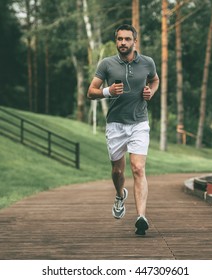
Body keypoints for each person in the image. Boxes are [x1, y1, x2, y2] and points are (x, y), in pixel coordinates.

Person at [87, 24, 160, 235]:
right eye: (120, 39)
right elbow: (90, 92)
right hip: (115, 124)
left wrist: (150, 92)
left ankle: (141, 217)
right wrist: (108, 91)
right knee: (118, 170)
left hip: (139, 122)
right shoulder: (107, 64)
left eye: (127, 39)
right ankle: (120, 195)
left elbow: (155, 80)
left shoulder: (148, 62)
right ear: (116, 41)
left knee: (138, 168)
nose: (123, 43)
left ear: (134, 41)